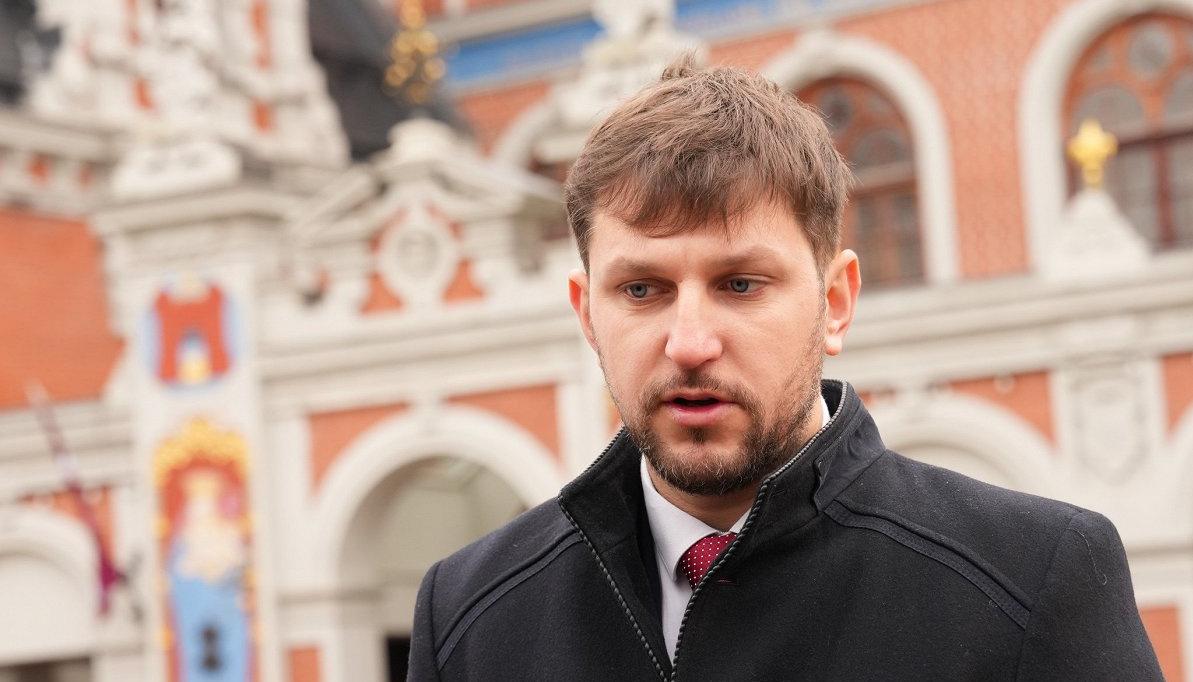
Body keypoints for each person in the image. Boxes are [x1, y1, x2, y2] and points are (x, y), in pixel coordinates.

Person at [407, 57, 1162, 681]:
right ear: (586, 314)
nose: (689, 342)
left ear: (835, 302)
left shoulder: (1031, 580)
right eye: (641, 290)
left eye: (740, 284)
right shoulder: (470, 612)